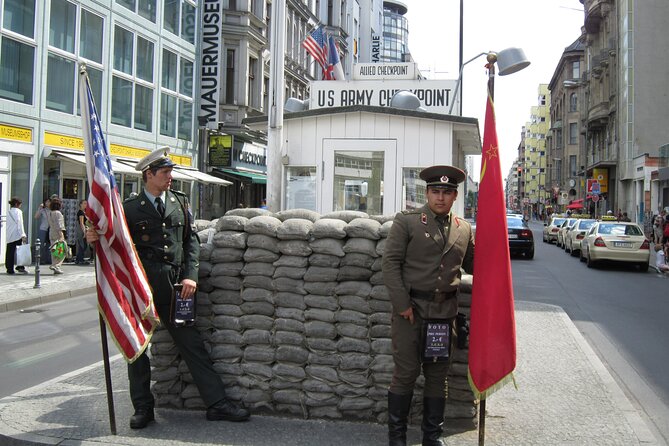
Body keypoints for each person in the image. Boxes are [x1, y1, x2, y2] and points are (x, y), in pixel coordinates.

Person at [87, 147, 250, 429]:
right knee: (137, 349)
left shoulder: (178, 201)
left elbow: (191, 242)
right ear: (149, 175)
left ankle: (217, 403)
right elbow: (114, 245)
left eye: (171, 171)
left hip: (176, 288)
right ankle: (143, 408)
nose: (171, 177)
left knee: (192, 346)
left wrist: (191, 276)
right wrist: (95, 237)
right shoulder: (129, 208)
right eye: (165, 172)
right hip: (141, 289)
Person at [382, 165, 475, 446]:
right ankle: (397, 437)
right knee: (406, 373)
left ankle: (432, 437)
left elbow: (475, 266)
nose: (441, 197)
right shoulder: (407, 221)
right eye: (436, 191)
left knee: (437, 377)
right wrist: (402, 305)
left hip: (444, 315)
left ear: (455, 196)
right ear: (427, 193)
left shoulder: (464, 229)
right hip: (411, 312)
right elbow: (390, 264)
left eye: (447, 192)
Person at [5, 197, 28, 275]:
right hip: (17, 234)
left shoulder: (8, 212)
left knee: (9, 251)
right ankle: (20, 266)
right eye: (20, 204)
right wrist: (23, 234)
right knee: (20, 251)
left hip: (9, 234)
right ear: (16, 204)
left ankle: (9, 268)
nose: (20, 206)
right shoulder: (18, 212)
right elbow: (20, 224)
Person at [48, 197, 67, 274]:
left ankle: (54, 265)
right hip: (57, 233)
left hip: (51, 232)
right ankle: (56, 265)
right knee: (63, 250)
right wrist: (61, 235)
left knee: (54, 249)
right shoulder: (58, 213)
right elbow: (59, 225)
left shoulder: (50, 213)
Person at [34, 198, 52, 264]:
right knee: (41, 244)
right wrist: (39, 208)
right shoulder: (43, 210)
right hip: (43, 228)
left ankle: (48, 259)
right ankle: (40, 259)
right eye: (47, 202)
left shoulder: (53, 210)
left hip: (50, 229)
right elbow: (36, 217)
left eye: (49, 202)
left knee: (49, 245)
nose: (48, 203)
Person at [74, 200, 91, 265]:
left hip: (84, 228)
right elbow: (81, 223)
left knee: (83, 244)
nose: (85, 205)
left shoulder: (84, 212)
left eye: (86, 203)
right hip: (81, 230)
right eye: (84, 203)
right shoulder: (81, 213)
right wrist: (84, 232)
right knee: (83, 244)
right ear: (80, 204)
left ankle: (79, 259)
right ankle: (80, 259)